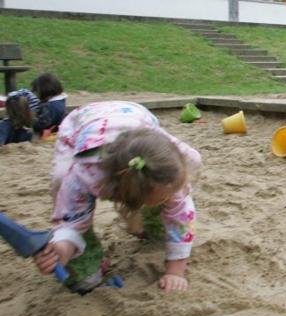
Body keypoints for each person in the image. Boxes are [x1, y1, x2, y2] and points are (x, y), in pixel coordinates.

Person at [33, 101, 202, 293]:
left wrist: (175, 271)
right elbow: (71, 218)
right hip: (81, 122)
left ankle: (153, 227)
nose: (172, 197)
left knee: (173, 199)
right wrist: (63, 247)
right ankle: (87, 255)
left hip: (135, 117)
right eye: (163, 198)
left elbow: (181, 217)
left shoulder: (173, 162)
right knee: (60, 180)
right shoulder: (85, 176)